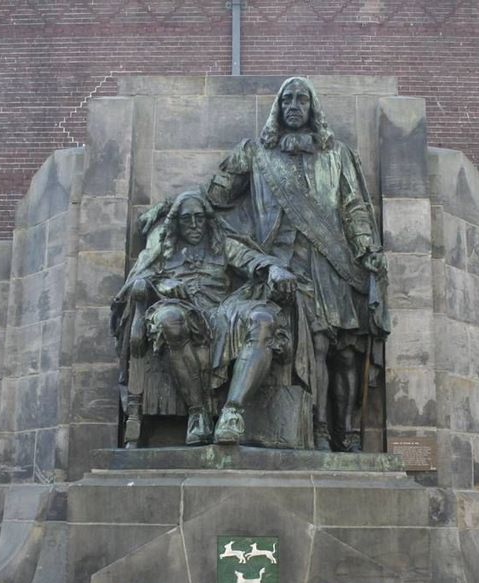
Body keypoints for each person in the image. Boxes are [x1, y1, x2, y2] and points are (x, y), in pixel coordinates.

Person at [205, 76, 389, 451]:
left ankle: (349, 434)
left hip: (332, 262)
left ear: (311, 108)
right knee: (316, 347)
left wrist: (367, 249)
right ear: (278, 108)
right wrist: (232, 167)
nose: (293, 105)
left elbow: (353, 207)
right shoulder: (257, 154)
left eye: (301, 100)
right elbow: (216, 198)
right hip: (286, 265)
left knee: (347, 353)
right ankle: (318, 430)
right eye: (287, 99)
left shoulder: (338, 155)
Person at [111, 190, 297, 447]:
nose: (195, 225)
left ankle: (232, 413)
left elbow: (252, 259)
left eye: (200, 217)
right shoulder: (162, 252)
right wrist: (163, 283)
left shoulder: (221, 245)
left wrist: (274, 268)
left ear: (208, 219)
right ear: (177, 223)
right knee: (169, 320)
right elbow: (136, 283)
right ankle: (197, 414)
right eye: (187, 219)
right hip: (180, 309)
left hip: (221, 312)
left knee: (263, 319)